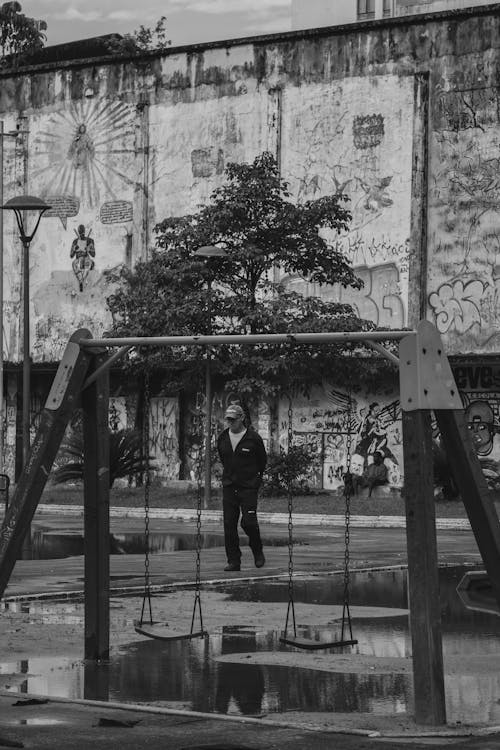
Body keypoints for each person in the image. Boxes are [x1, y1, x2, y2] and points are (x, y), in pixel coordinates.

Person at [217, 404, 267, 572]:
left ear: (241, 419)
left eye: (233, 419)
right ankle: (233, 561)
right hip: (230, 486)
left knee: (248, 522)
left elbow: (262, 462)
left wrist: (255, 481)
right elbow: (224, 459)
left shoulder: (253, 438)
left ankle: (257, 550)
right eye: (228, 420)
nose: (230, 423)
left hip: (248, 487)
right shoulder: (223, 438)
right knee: (229, 524)